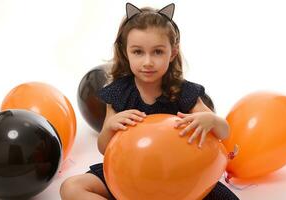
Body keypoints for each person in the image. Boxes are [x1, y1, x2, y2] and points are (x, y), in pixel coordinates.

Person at [60, 3, 239, 200]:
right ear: (125, 51)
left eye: (157, 52)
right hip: (128, 174)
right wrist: (110, 127)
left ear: (173, 52)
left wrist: (212, 121)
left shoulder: (182, 91)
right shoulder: (119, 93)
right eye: (138, 52)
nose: (148, 62)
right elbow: (104, 148)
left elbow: (224, 132)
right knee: (71, 187)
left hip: (182, 176)